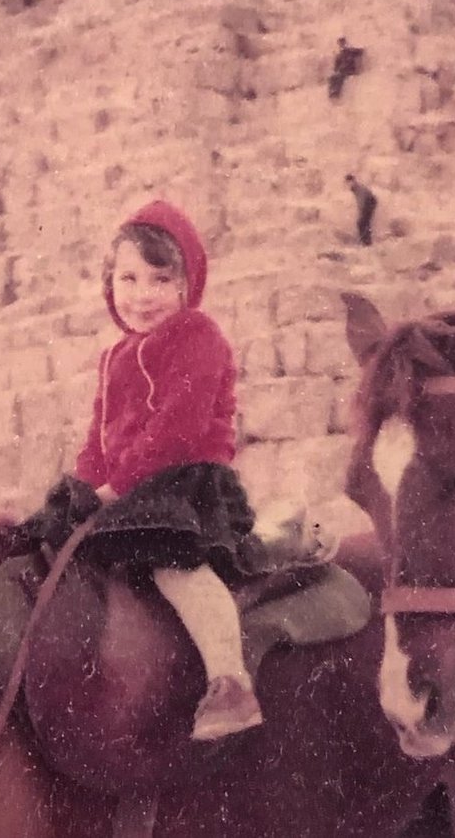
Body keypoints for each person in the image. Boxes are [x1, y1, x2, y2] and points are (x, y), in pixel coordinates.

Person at [71, 200, 264, 741]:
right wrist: (83, 489)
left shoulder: (198, 337)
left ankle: (231, 680)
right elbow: (98, 440)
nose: (142, 294)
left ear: (187, 287)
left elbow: (176, 430)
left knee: (172, 562)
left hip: (185, 483)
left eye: (160, 279)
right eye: (128, 278)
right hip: (129, 489)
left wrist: (113, 488)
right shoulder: (114, 358)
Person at [346, 173, 378, 246]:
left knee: (361, 222)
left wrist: (361, 213)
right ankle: (367, 242)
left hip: (369, 203)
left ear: (352, 181)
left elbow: (361, 201)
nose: (348, 185)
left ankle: (366, 242)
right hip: (370, 203)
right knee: (364, 223)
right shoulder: (355, 188)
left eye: (349, 183)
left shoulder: (358, 188)